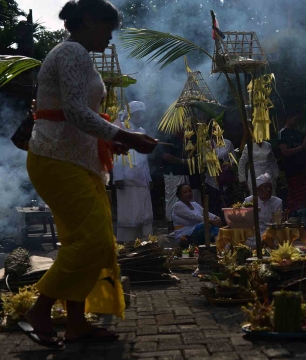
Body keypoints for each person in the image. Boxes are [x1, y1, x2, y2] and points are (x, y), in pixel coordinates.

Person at [20, 0, 157, 348]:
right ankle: (40, 310)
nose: (110, 37)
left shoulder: (77, 56)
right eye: (108, 27)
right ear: (90, 21)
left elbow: (77, 117)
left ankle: (77, 323)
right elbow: (77, 112)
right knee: (91, 241)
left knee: (85, 242)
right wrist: (126, 136)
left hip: (74, 161)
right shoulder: (72, 53)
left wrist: (109, 141)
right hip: (57, 160)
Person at [113, 101, 153, 243]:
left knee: (144, 212)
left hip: (141, 179)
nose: (140, 116)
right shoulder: (122, 129)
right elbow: (117, 154)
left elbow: (144, 157)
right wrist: (117, 177)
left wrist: (149, 178)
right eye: (137, 114)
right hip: (127, 180)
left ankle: (146, 242)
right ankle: (127, 243)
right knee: (129, 214)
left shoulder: (141, 131)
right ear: (130, 115)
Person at [278, 112, 306, 219]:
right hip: (292, 170)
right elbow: (285, 151)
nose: (297, 122)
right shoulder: (283, 133)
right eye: (295, 119)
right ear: (289, 118)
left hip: (303, 169)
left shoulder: (298, 133)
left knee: (304, 198)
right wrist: (301, 147)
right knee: (294, 197)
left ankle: (305, 221)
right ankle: (294, 219)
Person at [162, 129, 202, 232]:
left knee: (186, 198)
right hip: (173, 173)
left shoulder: (187, 139)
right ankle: (171, 224)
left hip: (185, 173)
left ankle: (184, 224)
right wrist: (183, 161)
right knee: (172, 199)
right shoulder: (169, 139)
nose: (183, 127)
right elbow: (166, 156)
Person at [205, 137, 236, 217]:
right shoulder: (206, 144)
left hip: (225, 177)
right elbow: (203, 160)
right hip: (211, 179)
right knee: (214, 204)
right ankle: (216, 224)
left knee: (227, 202)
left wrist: (229, 164)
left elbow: (233, 158)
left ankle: (228, 221)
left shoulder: (228, 143)